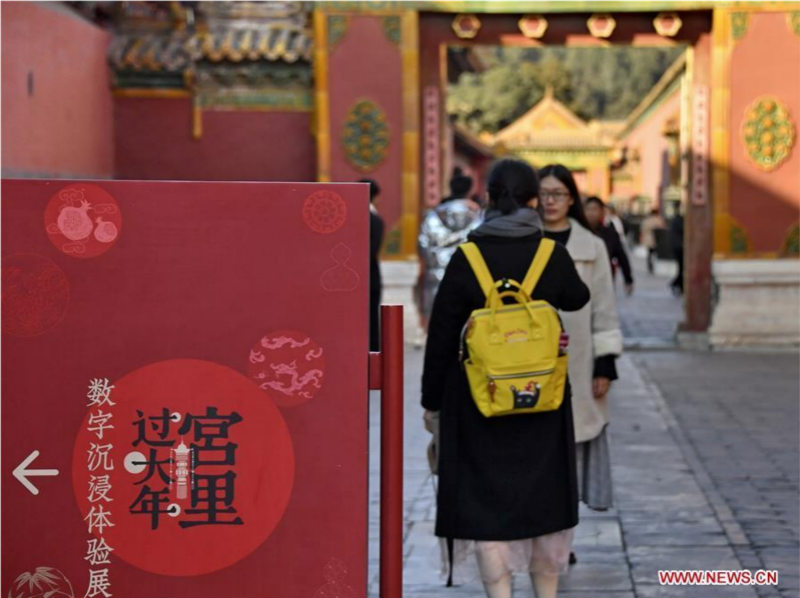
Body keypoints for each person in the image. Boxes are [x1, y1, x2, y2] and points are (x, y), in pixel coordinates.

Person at [422, 159, 590, 598]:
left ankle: (500, 594)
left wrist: (431, 401)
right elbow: (577, 296)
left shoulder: (467, 257)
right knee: (545, 504)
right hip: (543, 401)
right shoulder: (550, 254)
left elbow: (441, 335)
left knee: (485, 509)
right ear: (534, 199)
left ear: (490, 199)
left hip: (479, 400)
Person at [537, 164, 623, 529]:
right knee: (538, 445)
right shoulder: (526, 241)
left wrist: (605, 364)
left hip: (579, 358)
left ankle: (563, 527)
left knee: (573, 443)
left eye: (557, 194)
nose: (550, 202)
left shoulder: (593, 247)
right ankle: (543, 524)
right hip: (530, 360)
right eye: (543, 194)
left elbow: (604, 307)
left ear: (571, 198)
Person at [417, 168, 482, 331]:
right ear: (469, 190)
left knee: (438, 328)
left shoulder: (433, 215)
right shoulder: (478, 215)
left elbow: (423, 244)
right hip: (469, 276)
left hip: (436, 275)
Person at [584, 196, 634, 295]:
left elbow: (622, 257)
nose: (591, 213)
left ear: (602, 212)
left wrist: (628, 279)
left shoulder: (610, 233)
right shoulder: (578, 233)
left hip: (604, 283)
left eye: (594, 209)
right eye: (588, 209)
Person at [360, 178, 384, 351]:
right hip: (369, 276)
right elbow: (372, 250)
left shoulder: (349, 218)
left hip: (348, 276)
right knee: (370, 319)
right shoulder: (375, 221)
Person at [640, 208, 666, 274]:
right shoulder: (658, 220)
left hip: (648, 239)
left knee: (649, 253)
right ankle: (653, 266)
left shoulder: (647, 220)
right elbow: (662, 228)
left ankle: (650, 266)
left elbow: (642, 229)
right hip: (656, 239)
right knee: (655, 253)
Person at [669, 208, 684, 296]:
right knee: (682, 268)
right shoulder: (679, 222)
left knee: (681, 268)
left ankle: (678, 284)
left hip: (678, 248)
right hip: (679, 248)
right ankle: (675, 283)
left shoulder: (675, 221)